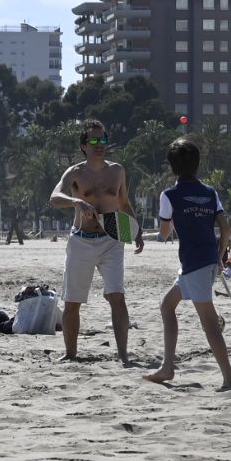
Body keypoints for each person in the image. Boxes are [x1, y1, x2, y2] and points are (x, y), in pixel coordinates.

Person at [48, 119, 145, 362]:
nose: (99, 144)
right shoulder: (75, 172)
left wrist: (136, 231)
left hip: (111, 239)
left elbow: (123, 203)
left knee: (117, 296)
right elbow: (54, 197)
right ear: (84, 145)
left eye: (103, 140)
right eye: (93, 140)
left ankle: (123, 355)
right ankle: (70, 355)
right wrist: (76, 202)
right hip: (81, 240)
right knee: (72, 301)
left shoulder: (117, 171)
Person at [144, 138, 231, 388]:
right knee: (167, 306)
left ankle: (229, 379)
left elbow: (164, 234)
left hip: (194, 262)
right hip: (204, 260)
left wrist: (165, 227)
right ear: (197, 164)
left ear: (172, 166)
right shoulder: (209, 192)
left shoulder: (169, 195)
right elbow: (225, 229)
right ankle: (167, 367)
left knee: (208, 325)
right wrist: (219, 255)